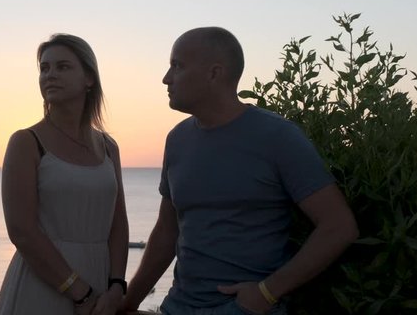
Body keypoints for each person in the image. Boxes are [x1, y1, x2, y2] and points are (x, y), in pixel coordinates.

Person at [120, 27, 358, 315]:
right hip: (178, 306)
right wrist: (127, 304)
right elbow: (166, 232)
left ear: (214, 73)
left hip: (242, 309)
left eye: (177, 65)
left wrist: (267, 292)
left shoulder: (277, 137)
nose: (166, 78)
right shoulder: (177, 140)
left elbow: (339, 227)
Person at [0, 33, 129, 315]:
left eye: (63, 67)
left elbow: (118, 223)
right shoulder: (27, 142)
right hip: (43, 285)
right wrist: (79, 292)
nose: (50, 75)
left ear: (89, 79)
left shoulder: (108, 147)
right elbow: (22, 231)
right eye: (44, 68)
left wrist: (116, 286)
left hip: (100, 285)